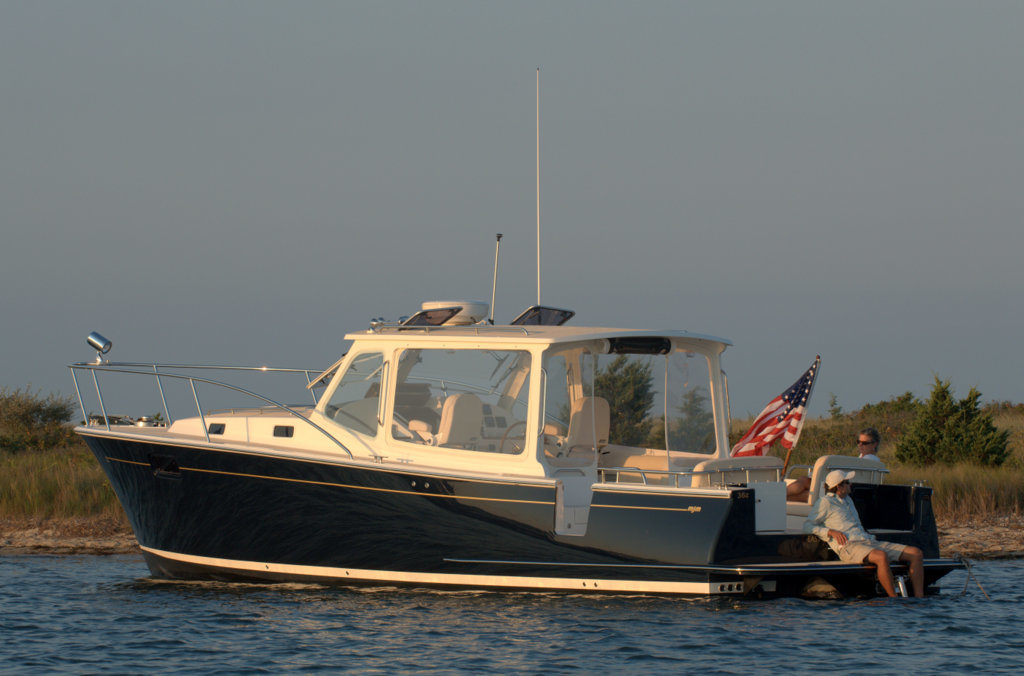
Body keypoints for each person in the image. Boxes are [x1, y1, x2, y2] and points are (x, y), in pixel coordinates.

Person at [803, 469, 925, 597]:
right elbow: (808, 526)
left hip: (868, 541)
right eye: (847, 482)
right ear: (839, 486)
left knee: (916, 553)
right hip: (849, 546)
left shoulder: (848, 500)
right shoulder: (825, 502)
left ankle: (919, 599)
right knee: (881, 556)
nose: (851, 484)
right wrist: (830, 532)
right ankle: (893, 600)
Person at [786, 428, 885, 502]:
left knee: (805, 483)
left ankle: (780, 496)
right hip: (844, 488)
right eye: (858, 442)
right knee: (807, 486)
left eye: (864, 443)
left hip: (843, 489)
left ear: (875, 444)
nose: (860, 445)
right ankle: (781, 497)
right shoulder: (863, 460)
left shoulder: (869, 461)